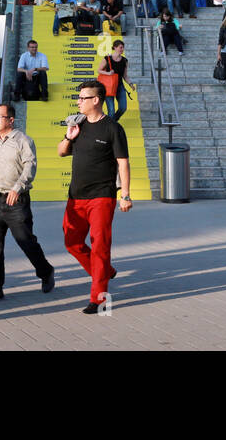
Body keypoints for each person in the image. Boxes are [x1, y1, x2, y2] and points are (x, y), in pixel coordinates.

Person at [59, 80, 134, 312]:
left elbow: (123, 163)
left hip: (102, 196)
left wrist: (126, 195)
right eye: (78, 98)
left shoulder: (112, 128)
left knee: (100, 246)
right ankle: (105, 271)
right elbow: (61, 152)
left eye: (83, 98)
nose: (78, 101)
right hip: (76, 196)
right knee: (72, 243)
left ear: (96, 100)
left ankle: (98, 298)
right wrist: (70, 137)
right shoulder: (77, 123)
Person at [0, 103, 56, 302]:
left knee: (26, 242)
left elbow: (30, 167)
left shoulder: (23, 141)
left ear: (11, 120)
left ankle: (46, 272)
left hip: (16, 201)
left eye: (0, 117)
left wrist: (17, 188)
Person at [97, 39, 134, 123]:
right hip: (108, 86)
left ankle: (113, 121)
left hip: (119, 86)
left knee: (123, 107)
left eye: (123, 48)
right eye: (120, 47)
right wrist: (109, 73)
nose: (122, 49)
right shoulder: (107, 58)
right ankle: (111, 126)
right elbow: (99, 70)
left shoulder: (125, 61)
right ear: (115, 47)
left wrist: (130, 84)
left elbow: (125, 75)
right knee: (111, 110)